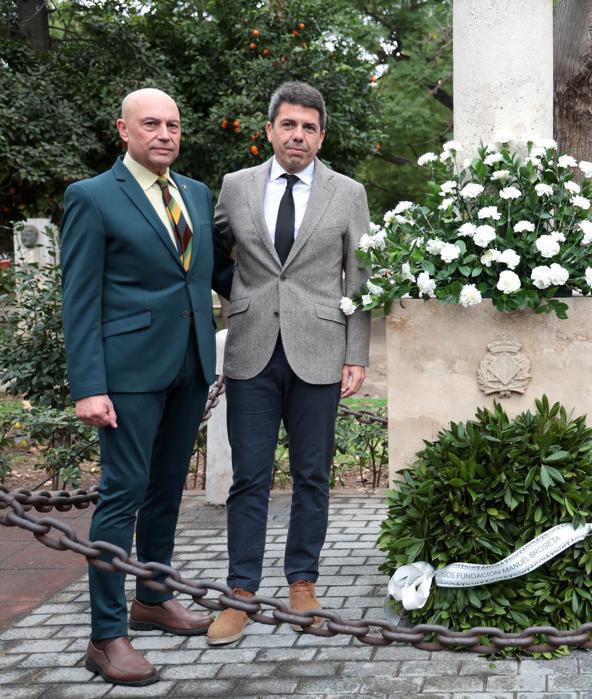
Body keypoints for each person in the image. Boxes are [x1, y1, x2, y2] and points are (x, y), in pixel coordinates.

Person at [61, 88, 233, 686]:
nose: (165, 133)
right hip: (127, 375)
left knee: (165, 492)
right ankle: (106, 635)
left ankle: (154, 598)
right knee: (122, 494)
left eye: (173, 125)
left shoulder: (194, 192)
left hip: (189, 365)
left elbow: (212, 273)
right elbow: (78, 299)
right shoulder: (92, 197)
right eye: (152, 124)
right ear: (124, 131)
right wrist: (89, 385)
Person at [206, 81, 371, 645]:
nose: (297, 135)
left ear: (321, 136)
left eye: (308, 127)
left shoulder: (347, 193)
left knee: (312, 475)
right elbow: (211, 253)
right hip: (251, 350)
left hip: (321, 353)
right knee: (248, 477)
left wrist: (356, 353)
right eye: (288, 125)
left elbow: (361, 278)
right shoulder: (236, 187)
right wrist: (243, 297)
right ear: (269, 129)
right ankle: (241, 594)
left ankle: (303, 582)